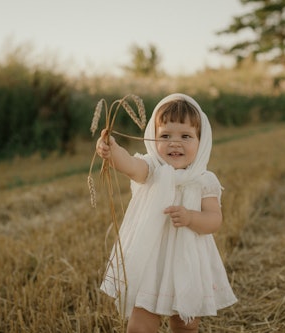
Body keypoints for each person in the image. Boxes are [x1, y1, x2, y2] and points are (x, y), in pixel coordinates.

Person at [96, 93, 237, 332]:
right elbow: (130, 166)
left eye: (185, 136)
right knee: (140, 326)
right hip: (152, 260)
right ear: (152, 138)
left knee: (186, 324)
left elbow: (214, 220)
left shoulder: (204, 180)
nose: (175, 143)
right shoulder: (152, 169)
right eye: (165, 135)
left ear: (201, 142)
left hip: (188, 262)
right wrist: (113, 151)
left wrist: (192, 217)